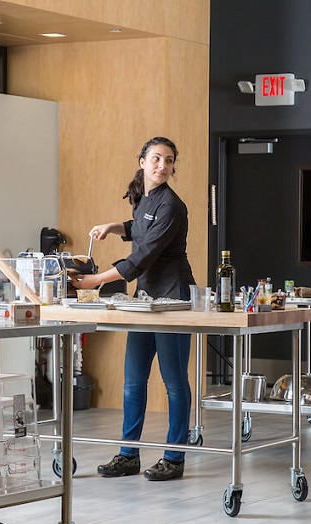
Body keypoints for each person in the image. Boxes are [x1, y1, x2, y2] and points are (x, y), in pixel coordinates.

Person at [69, 136, 195, 481]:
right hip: (146, 298)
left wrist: (93, 282)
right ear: (142, 161)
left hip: (172, 298)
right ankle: (128, 454)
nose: (162, 166)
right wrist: (116, 226)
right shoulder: (143, 195)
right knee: (133, 381)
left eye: (169, 160)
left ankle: (174, 457)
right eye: (156, 158)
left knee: (173, 382)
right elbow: (140, 227)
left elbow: (141, 258)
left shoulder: (172, 205)